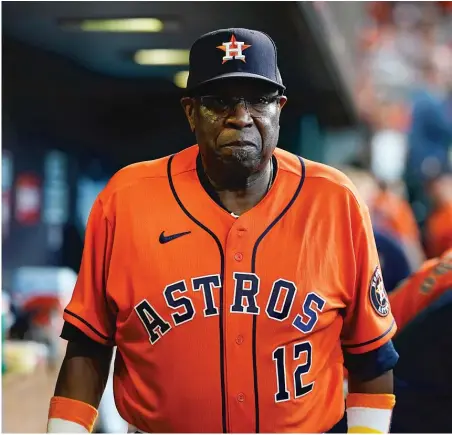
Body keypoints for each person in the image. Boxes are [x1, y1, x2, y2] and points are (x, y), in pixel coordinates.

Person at [47, 28, 398, 434]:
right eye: (220, 101)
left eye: (259, 99)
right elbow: (88, 347)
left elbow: (372, 356)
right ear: (190, 111)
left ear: (280, 107)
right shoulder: (126, 200)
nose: (241, 116)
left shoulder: (334, 201)